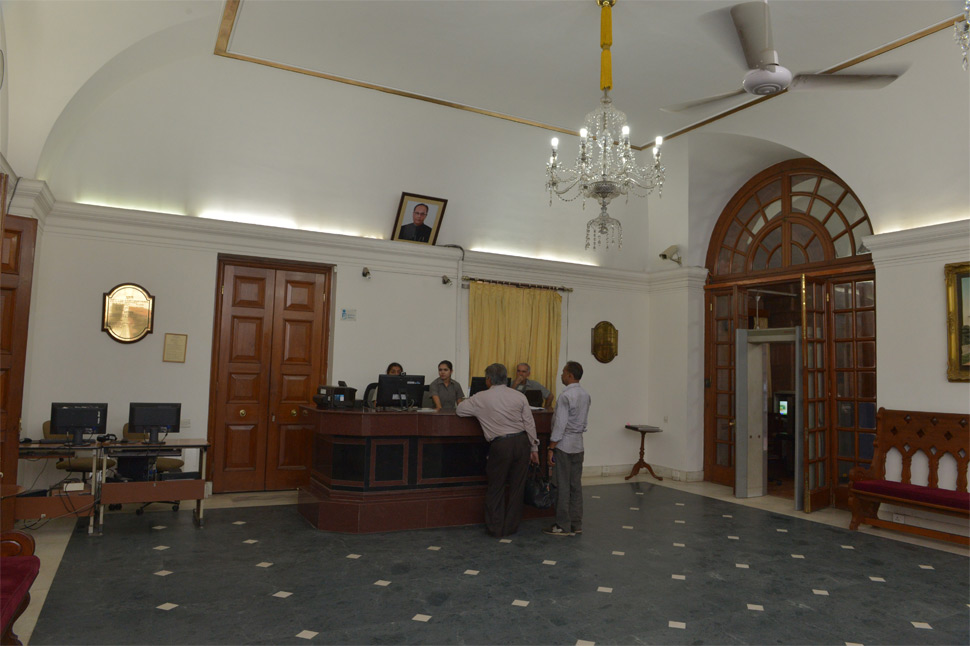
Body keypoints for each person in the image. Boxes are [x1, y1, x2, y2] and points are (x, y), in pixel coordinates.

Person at [456, 363, 539, 537]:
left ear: (488, 380)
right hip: (522, 442)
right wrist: (534, 448)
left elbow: (460, 410)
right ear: (506, 378)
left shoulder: (481, 397)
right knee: (517, 488)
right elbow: (529, 423)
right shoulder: (518, 396)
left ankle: (495, 527)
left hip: (501, 445)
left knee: (496, 486)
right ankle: (510, 527)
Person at [543, 361, 590, 537]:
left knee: (561, 485)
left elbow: (560, 425)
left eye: (563, 372)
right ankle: (576, 524)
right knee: (575, 485)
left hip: (563, 446)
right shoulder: (585, 395)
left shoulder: (565, 396)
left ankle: (563, 525)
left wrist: (551, 447)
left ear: (570, 375)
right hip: (578, 445)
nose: (561, 375)